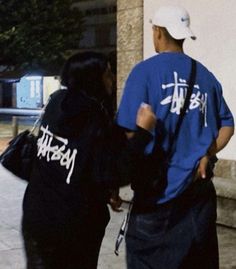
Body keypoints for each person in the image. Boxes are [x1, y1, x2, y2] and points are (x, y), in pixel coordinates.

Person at [116, 5, 235, 269]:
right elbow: (228, 124)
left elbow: (126, 132)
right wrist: (207, 152)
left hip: (156, 198)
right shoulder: (206, 77)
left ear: (158, 32)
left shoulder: (143, 73)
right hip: (199, 197)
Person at [21, 51, 157, 269]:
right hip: (74, 227)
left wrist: (105, 190)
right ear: (93, 78)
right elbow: (115, 170)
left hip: (37, 217)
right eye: (108, 75)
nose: (112, 80)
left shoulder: (57, 102)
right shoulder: (93, 116)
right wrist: (143, 132)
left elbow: (81, 164)